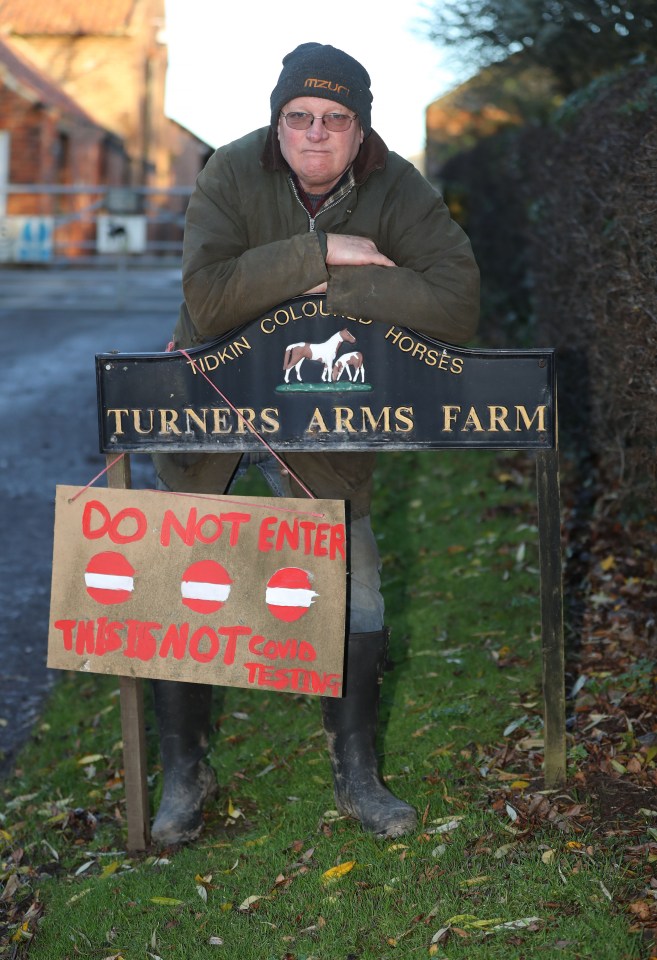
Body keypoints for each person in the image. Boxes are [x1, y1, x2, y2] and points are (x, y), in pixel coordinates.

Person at [150, 42, 479, 845]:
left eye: (335, 120)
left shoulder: (395, 183)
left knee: (356, 589)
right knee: (184, 590)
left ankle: (357, 774)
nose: (315, 135)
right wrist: (324, 250)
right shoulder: (230, 172)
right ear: (277, 121)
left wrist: (332, 286)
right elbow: (208, 295)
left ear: (360, 129)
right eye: (298, 118)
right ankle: (184, 776)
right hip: (212, 408)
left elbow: (456, 302)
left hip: (325, 416)